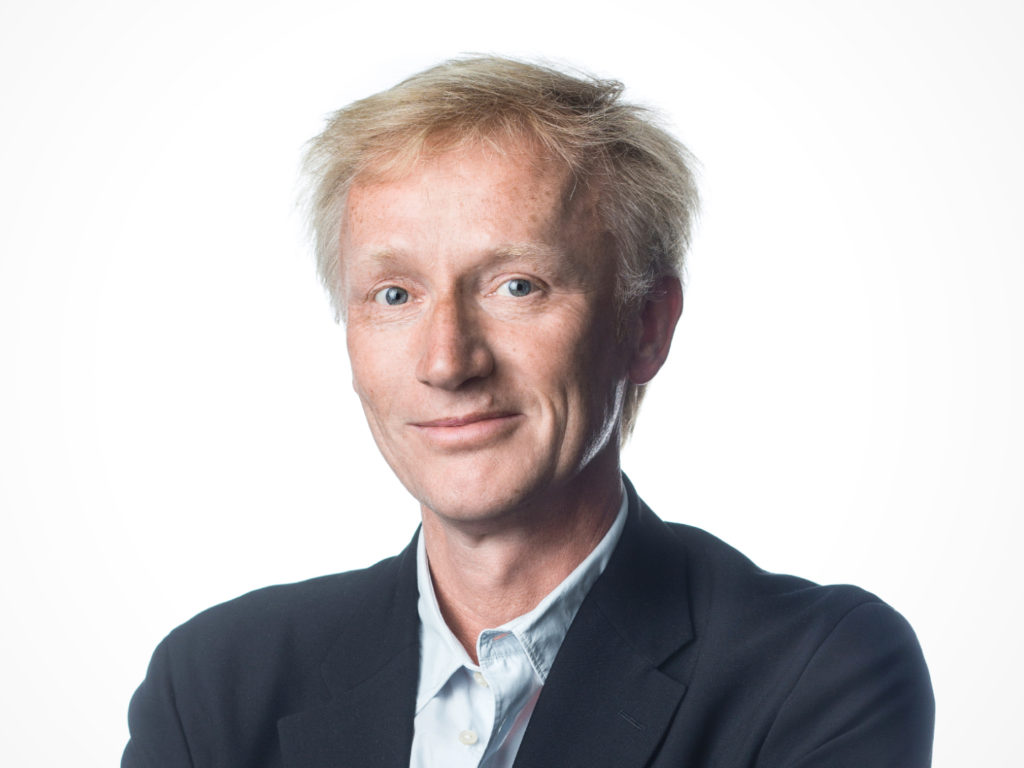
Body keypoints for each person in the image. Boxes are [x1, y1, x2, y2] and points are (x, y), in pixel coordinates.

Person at [122, 56, 934, 768]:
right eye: (394, 295)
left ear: (645, 327)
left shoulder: (817, 674)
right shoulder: (214, 686)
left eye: (517, 286)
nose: (448, 362)